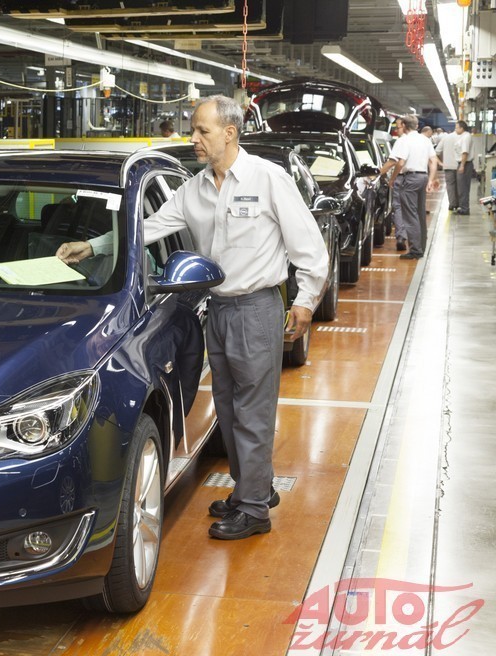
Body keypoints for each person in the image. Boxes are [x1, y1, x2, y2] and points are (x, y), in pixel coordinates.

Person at [56, 95, 328, 541]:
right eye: (193, 130)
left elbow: (309, 246)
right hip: (217, 307)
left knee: (253, 410)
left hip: (257, 308)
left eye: (202, 131)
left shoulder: (267, 179)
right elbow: (148, 228)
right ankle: (252, 488)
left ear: (229, 133)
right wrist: (93, 247)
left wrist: (306, 301)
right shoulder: (195, 189)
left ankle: (254, 510)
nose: (193, 139)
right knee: (228, 408)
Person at [377, 115, 438, 259]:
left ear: (404, 125)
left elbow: (397, 162)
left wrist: (383, 176)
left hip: (409, 179)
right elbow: (433, 160)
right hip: (422, 177)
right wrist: (430, 179)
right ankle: (421, 247)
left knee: (410, 216)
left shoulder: (403, 140)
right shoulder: (425, 139)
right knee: (420, 214)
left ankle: (415, 250)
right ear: (416, 126)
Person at [436, 121, 474, 215]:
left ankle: (455, 205)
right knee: (461, 187)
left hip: (453, 165)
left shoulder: (461, 137)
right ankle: (462, 206)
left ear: (461, 128)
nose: (455, 129)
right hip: (458, 164)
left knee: (453, 186)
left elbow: (436, 151)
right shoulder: (463, 137)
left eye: (456, 127)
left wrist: (440, 163)